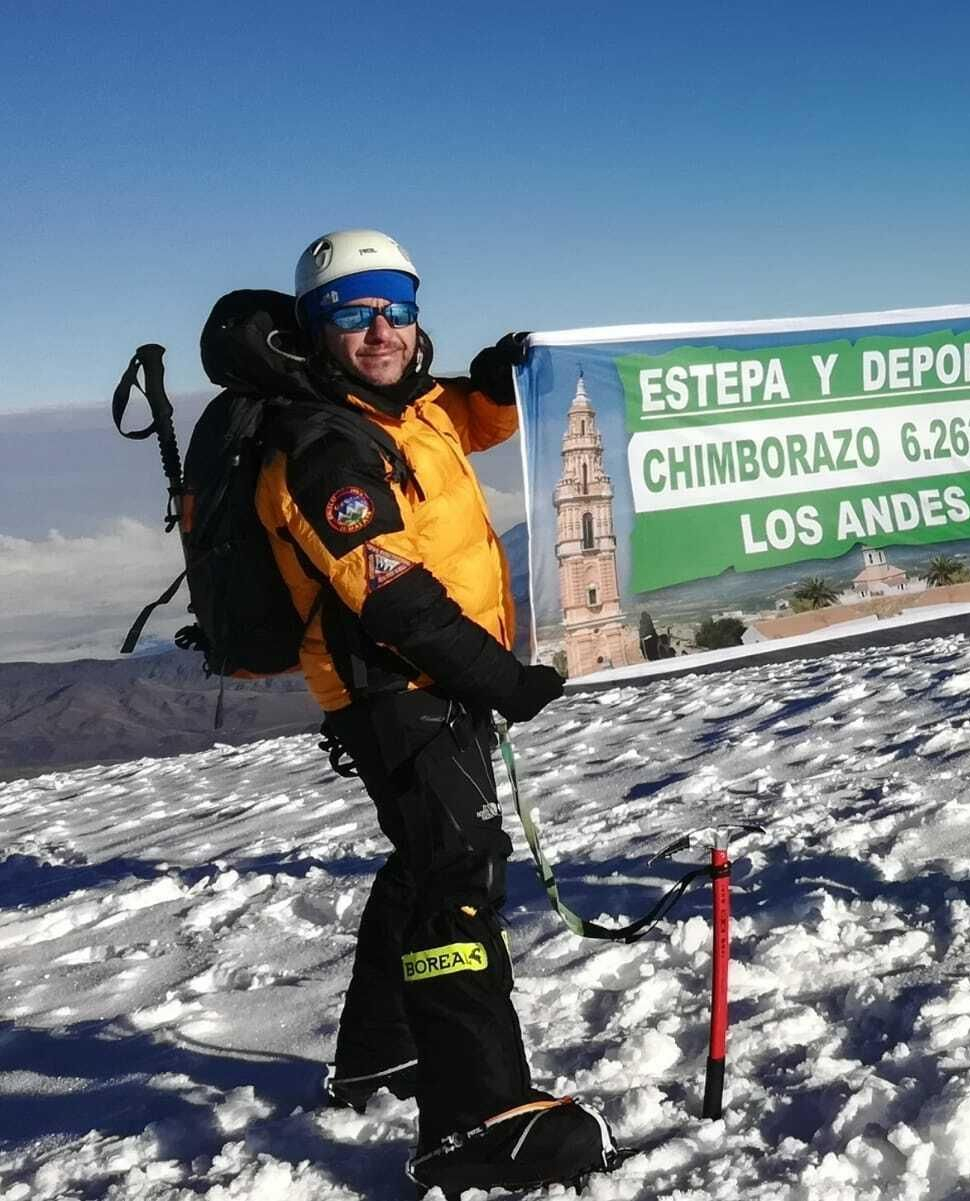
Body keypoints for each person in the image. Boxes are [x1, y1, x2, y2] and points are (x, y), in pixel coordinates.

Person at [232, 228, 603, 1191]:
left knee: (428, 852)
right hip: (396, 687)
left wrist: (491, 387)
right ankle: (472, 1115)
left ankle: (378, 1053)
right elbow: (391, 598)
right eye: (354, 312)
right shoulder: (321, 445)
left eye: (397, 304)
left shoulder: (406, 408)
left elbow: (457, 429)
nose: (382, 327)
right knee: (457, 877)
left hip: (439, 679)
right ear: (316, 328)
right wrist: (503, 679)